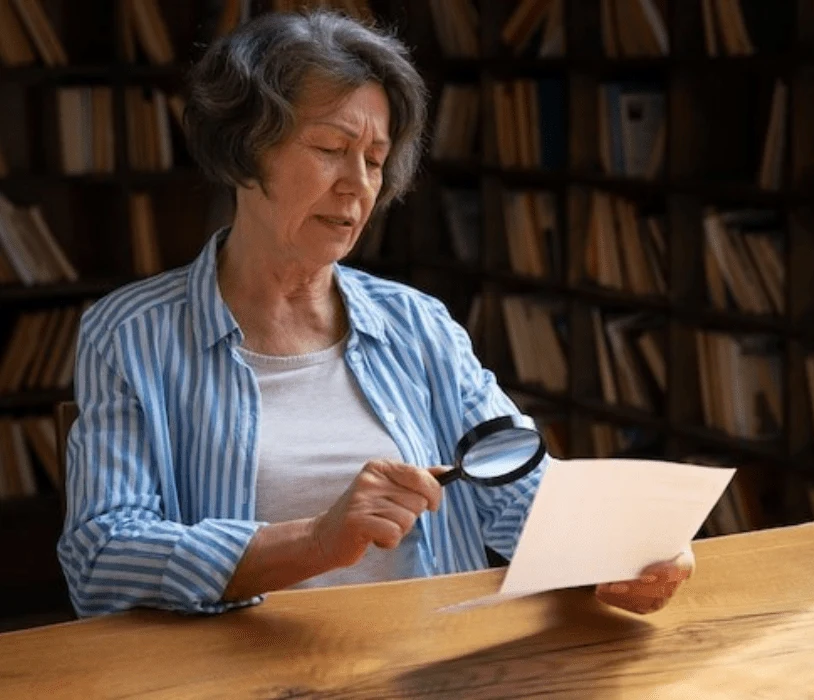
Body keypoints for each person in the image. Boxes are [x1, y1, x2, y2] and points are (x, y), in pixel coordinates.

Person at [57, 9, 692, 618]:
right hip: (240, 676)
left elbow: (518, 488)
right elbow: (102, 557)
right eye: (331, 148)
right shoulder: (132, 333)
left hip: (429, 667)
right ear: (244, 149)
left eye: (375, 160)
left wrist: (627, 547)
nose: (358, 185)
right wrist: (315, 542)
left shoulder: (417, 324)